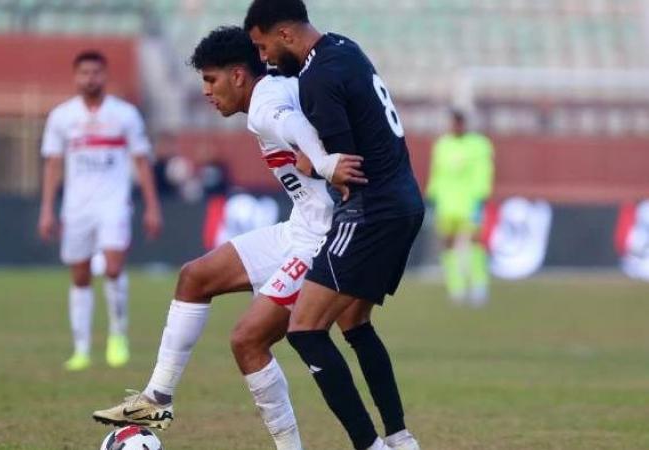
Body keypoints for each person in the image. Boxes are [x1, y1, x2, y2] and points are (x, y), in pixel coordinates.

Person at [93, 26, 366, 450]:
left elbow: (290, 121)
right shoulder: (276, 87)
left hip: (321, 241)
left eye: (210, 79)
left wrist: (324, 163)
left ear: (238, 76)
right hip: (299, 227)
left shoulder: (266, 103)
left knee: (248, 341)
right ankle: (155, 400)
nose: (206, 91)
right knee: (195, 277)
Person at [244, 1, 425, 449]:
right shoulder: (346, 48)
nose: (264, 58)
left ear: (285, 34)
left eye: (263, 45)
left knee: (304, 329)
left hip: (369, 213)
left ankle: (371, 445)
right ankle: (400, 438)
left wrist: (312, 162)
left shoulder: (316, 79)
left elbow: (344, 165)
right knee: (354, 321)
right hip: (404, 202)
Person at [38, 50, 163, 371]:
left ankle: (117, 335)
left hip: (114, 204)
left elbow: (141, 161)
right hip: (77, 207)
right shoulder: (62, 117)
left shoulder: (125, 115)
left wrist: (152, 206)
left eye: (96, 72)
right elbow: (52, 164)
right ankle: (81, 348)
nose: (90, 78)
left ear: (105, 76)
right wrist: (47, 210)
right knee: (79, 275)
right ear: (75, 77)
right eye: (84, 73)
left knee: (112, 266)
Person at [427, 110, 494, 306]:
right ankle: (456, 288)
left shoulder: (479, 145)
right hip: (446, 205)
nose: (455, 127)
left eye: (459, 123)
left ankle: (479, 286)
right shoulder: (442, 145)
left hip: (469, 203)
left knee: (474, 243)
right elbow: (436, 173)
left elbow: (484, 173)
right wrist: (433, 196)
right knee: (447, 245)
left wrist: (481, 197)